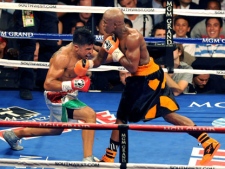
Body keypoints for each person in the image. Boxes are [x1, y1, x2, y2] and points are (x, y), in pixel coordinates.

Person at [78, 7, 220, 165]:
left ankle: (109, 156)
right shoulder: (111, 36)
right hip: (145, 78)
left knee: (121, 118)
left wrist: (116, 52)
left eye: (106, 22)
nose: (102, 25)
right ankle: (208, 142)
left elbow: (131, 66)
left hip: (146, 80)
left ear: (116, 24)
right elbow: (101, 60)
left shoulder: (133, 37)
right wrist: (88, 63)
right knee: (168, 115)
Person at [3, 28, 98, 162]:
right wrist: (72, 85)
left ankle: (13, 134)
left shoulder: (84, 50)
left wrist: (115, 52)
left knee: (55, 129)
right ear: (76, 47)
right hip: (56, 96)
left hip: (68, 94)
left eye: (91, 48)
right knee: (90, 115)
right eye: (88, 49)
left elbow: (100, 59)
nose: (90, 52)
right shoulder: (62, 57)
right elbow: (48, 84)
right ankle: (88, 159)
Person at [14, 0, 59, 100]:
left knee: (49, 44)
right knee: (27, 44)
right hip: (28, 6)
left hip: (48, 7)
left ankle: (46, 83)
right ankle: (25, 86)